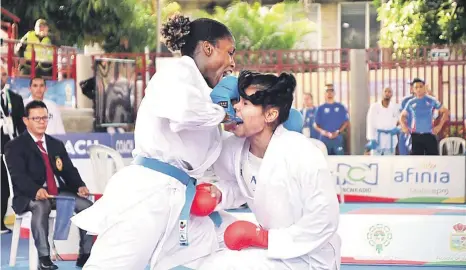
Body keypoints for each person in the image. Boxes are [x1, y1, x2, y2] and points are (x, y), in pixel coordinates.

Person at [71, 14, 237, 270]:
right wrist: (224, 114)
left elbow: (212, 144)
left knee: (230, 238)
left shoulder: (203, 93)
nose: (232, 63)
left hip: (179, 198)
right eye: (229, 52)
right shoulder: (176, 74)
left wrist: (248, 128)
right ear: (207, 48)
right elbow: (183, 112)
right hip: (147, 197)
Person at [199, 71, 341, 270]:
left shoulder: (302, 152)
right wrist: (219, 194)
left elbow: (325, 218)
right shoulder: (234, 149)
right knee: (207, 258)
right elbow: (246, 187)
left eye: (245, 104)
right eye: (237, 101)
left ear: (270, 114)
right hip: (271, 251)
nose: (236, 107)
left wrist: (264, 238)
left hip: (310, 257)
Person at [4, 101, 93, 269]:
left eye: (45, 117)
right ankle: (44, 259)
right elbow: (18, 177)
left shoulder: (55, 144)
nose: (41, 122)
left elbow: (68, 170)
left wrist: (80, 185)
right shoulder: (14, 146)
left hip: (56, 193)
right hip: (28, 195)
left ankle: (85, 253)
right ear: (26, 120)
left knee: (87, 206)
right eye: (36, 118)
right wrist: (35, 190)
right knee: (41, 206)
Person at [1, 64, 26, 234]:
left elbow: (22, 127)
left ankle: (0, 222)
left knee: (5, 188)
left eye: (3, 74)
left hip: (9, 150)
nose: (1, 77)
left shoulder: (15, 99)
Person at [400, 78, 449, 155]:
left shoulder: (431, 100)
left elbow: (445, 111)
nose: (419, 89)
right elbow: (402, 116)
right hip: (416, 136)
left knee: (433, 162)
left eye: (421, 86)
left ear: (424, 87)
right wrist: (404, 126)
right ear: (413, 89)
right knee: (416, 162)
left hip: (429, 135)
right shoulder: (410, 102)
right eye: (416, 87)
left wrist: (439, 126)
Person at [313, 84, 349, 155]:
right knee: (324, 161)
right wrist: (324, 132)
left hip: (337, 139)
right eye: (327, 91)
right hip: (324, 140)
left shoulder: (341, 107)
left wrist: (338, 132)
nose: (329, 93)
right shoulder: (320, 108)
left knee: (339, 160)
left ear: (334, 93)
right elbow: (315, 125)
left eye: (331, 91)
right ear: (324, 94)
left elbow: (346, 122)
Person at [366, 87, 400, 155]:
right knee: (376, 162)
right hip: (377, 138)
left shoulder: (395, 107)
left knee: (389, 163)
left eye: (389, 92)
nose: (387, 93)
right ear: (382, 93)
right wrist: (371, 138)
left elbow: (400, 121)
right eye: (385, 91)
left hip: (390, 139)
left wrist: (398, 129)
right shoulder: (374, 107)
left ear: (392, 95)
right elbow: (370, 123)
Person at [398, 81, 415, 155]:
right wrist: (404, 127)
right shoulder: (405, 101)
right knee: (404, 157)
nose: (411, 88)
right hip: (406, 133)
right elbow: (401, 116)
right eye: (411, 86)